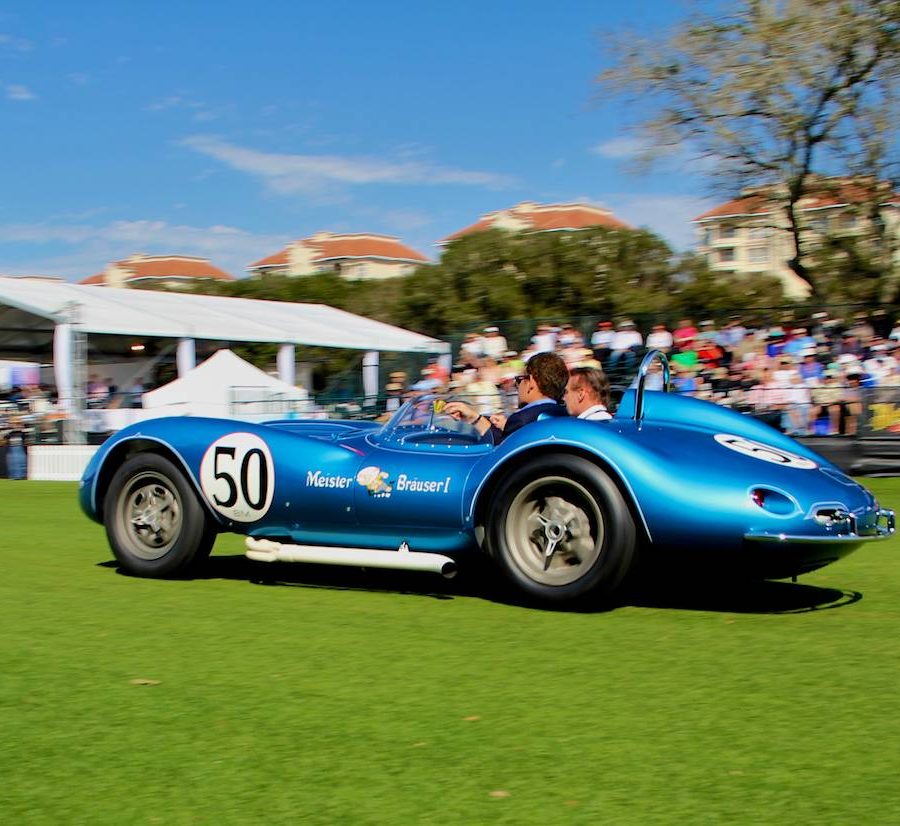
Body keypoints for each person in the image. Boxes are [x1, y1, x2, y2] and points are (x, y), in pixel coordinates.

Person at [445, 352, 569, 443]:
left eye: (519, 380)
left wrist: (474, 418)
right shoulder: (564, 413)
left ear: (530, 382)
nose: (517, 386)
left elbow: (498, 450)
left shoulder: (522, 420)